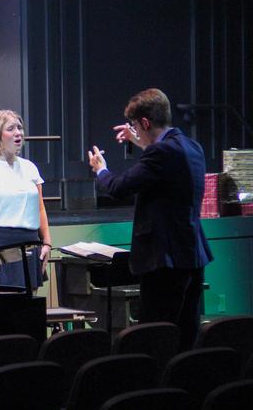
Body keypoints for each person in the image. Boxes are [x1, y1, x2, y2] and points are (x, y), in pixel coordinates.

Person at [88, 88, 212, 350]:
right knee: (185, 333)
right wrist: (142, 142)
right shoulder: (192, 146)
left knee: (155, 336)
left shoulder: (161, 154)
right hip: (191, 254)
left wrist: (101, 170)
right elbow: (164, 171)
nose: (134, 130)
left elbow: (120, 186)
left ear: (145, 122)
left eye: (136, 125)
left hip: (164, 259)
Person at [0, 110, 51, 290]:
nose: (18, 132)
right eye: (11, 128)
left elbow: (40, 208)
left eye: (20, 127)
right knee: (1, 303)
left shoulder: (29, 167)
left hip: (29, 242)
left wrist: (46, 241)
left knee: (27, 305)